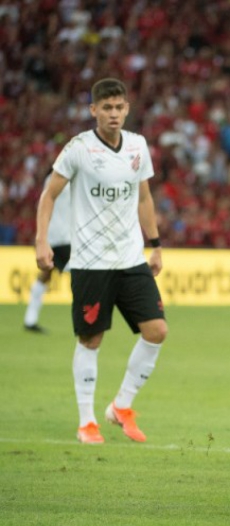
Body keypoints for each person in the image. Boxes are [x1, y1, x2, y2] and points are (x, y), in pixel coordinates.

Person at [34, 78, 167, 444]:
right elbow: (49, 195)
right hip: (91, 261)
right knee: (91, 339)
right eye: (106, 108)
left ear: (127, 109)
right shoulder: (78, 148)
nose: (113, 114)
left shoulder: (138, 146)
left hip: (130, 258)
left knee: (157, 331)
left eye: (119, 107)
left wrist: (155, 244)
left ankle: (121, 407)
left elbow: (143, 198)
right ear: (93, 110)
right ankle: (86, 421)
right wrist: (41, 240)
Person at [24, 177, 71, 333]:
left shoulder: (52, 178)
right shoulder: (63, 178)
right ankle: (87, 317)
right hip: (63, 238)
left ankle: (30, 319)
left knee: (45, 275)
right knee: (84, 275)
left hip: (53, 237)